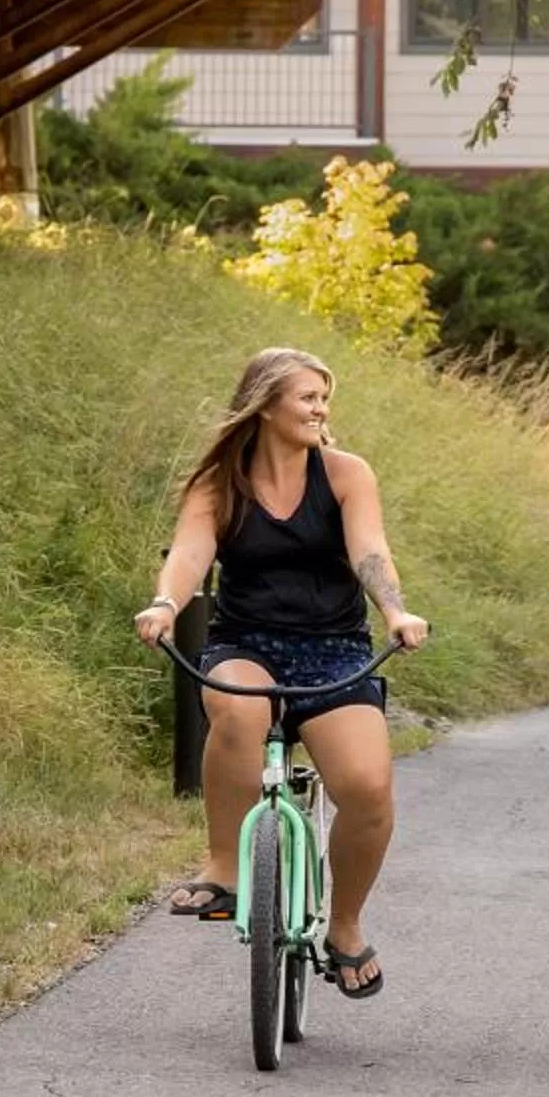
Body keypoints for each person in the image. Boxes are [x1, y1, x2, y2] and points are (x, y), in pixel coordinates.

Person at [136, 347, 430, 998]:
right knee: (241, 709)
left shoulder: (347, 474)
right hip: (247, 641)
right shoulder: (219, 483)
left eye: (325, 398)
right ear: (266, 404)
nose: (321, 409)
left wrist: (396, 612)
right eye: (307, 397)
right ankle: (224, 867)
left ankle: (345, 927)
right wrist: (165, 603)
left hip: (335, 650)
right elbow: (190, 552)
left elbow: (370, 551)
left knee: (368, 788)